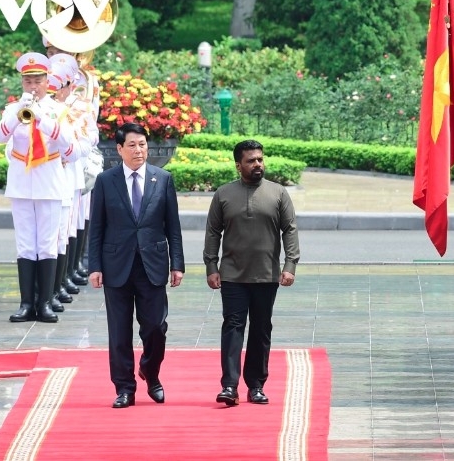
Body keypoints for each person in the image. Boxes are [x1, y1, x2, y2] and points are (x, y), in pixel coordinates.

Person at [87, 122, 185, 409]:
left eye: (142, 144)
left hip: (152, 264)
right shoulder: (106, 181)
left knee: (156, 327)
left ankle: (151, 373)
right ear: (119, 149)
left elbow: (173, 227)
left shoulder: (163, 179)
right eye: (132, 145)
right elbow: (97, 228)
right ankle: (124, 388)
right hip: (116, 264)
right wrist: (95, 266)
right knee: (119, 331)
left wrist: (176, 263)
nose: (139, 150)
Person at [203, 139, 300, 406]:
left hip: (266, 275)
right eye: (251, 161)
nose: (258, 164)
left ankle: (256, 385)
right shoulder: (223, 194)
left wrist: (290, 265)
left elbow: (289, 230)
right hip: (232, 274)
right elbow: (213, 232)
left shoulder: (278, 193)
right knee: (233, 327)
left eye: (260, 159)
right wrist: (211, 266)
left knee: (260, 329)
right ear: (238, 165)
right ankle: (230, 386)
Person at [0, 52, 75, 323]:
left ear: (46, 80)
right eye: (28, 81)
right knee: (26, 245)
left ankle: (45, 302)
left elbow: (66, 141)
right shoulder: (13, 108)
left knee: (48, 245)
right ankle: (26, 303)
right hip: (20, 183)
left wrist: (42, 117)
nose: (33, 86)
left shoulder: (58, 110)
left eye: (37, 80)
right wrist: (19, 114)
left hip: (49, 183)